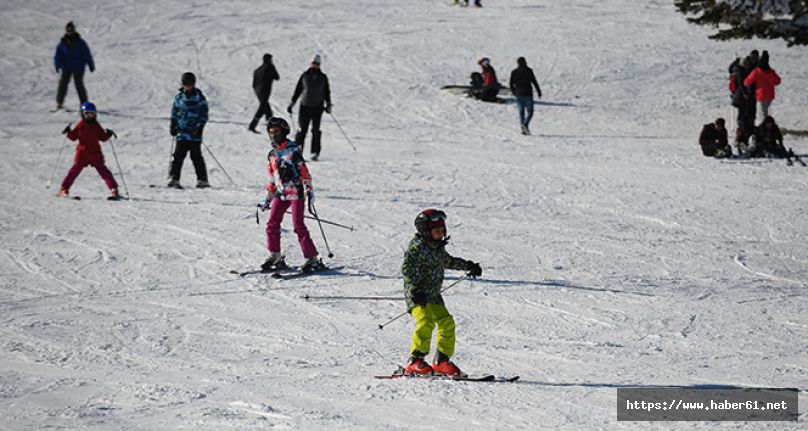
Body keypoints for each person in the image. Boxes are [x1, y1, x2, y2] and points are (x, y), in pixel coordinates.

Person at [401, 209, 483, 376]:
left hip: (433, 295)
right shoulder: (418, 248)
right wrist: (415, 289)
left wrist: (468, 266)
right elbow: (407, 268)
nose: (440, 234)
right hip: (418, 295)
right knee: (426, 321)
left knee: (447, 322)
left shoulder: (437, 248)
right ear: (425, 231)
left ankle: (441, 361)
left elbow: (448, 261)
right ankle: (414, 360)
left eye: (442, 230)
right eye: (436, 231)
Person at [259, 117, 325, 273]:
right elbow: (273, 177)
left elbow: (303, 170)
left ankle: (312, 259)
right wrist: (268, 198)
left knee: (298, 225)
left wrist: (309, 189)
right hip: (280, 193)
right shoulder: (272, 154)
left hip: (295, 192)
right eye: (271, 132)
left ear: (284, 132)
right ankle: (275, 255)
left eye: (277, 132)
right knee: (272, 224)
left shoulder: (293, 149)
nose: (274, 135)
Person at [58, 102, 121, 199]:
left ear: (95, 114)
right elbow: (73, 137)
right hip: (82, 153)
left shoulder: (96, 125)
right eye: (87, 113)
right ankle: (64, 189)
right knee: (74, 170)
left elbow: (102, 138)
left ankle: (114, 189)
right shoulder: (80, 125)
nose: (89, 115)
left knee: (104, 171)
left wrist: (108, 134)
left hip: (95, 153)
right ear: (82, 113)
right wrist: (69, 132)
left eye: (92, 113)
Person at [287, 54, 332, 161]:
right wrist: (292, 103)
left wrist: (328, 103)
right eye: (313, 63)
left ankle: (315, 153)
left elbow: (326, 92)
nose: (315, 65)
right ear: (310, 63)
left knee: (316, 130)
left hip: (318, 107)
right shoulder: (304, 76)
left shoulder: (323, 77)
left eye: (317, 63)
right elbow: (298, 90)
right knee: (302, 130)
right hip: (305, 106)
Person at [168, 72, 209, 189]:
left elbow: (204, 114)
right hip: (182, 132)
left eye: (189, 84)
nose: (187, 86)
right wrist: (173, 125)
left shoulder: (200, 98)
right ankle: (174, 179)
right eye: (185, 84)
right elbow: (175, 112)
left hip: (194, 133)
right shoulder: (179, 98)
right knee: (178, 156)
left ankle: (202, 179)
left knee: (196, 156)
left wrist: (200, 128)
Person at [54, 21, 95, 110]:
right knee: (63, 84)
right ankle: (59, 103)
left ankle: (84, 104)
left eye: (71, 30)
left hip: (78, 67)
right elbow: (58, 55)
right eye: (68, 30)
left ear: (74, 30)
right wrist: (57, 64)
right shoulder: (63, 43)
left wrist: (90, 64)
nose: (70, 32)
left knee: (79, 84)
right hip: (66, 67)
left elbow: (86, 54)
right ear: (66, 31)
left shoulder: (80, 42)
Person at [509, 57, 542, 135]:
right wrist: (538, 91)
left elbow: (511, 83)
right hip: (528, 94)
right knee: (530, 112)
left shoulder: (514, 72)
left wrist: (514, 91)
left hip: (518, 94)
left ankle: (523, 129)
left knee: (521, 112)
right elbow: (534, 81)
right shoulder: (529, 70)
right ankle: (525, 125)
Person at [248, 53, 280, 133]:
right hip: (265, 90)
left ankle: (271, 126)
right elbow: (277, 77)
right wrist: (273, 67)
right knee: (262, 107)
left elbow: (253, 84)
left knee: (266, 108)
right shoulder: (270, 67)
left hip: (258, 91)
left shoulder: (257, 70)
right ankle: (252, 126)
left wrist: (257, 90)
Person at [743, 53, 781, 120]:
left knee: (762, 113)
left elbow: (746, 82)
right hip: (770, 95)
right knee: (765, 112)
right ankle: (767, 123)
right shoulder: (771, 71)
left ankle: (765, 124)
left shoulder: (756, 71)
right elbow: (778, 81)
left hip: (760, 95)